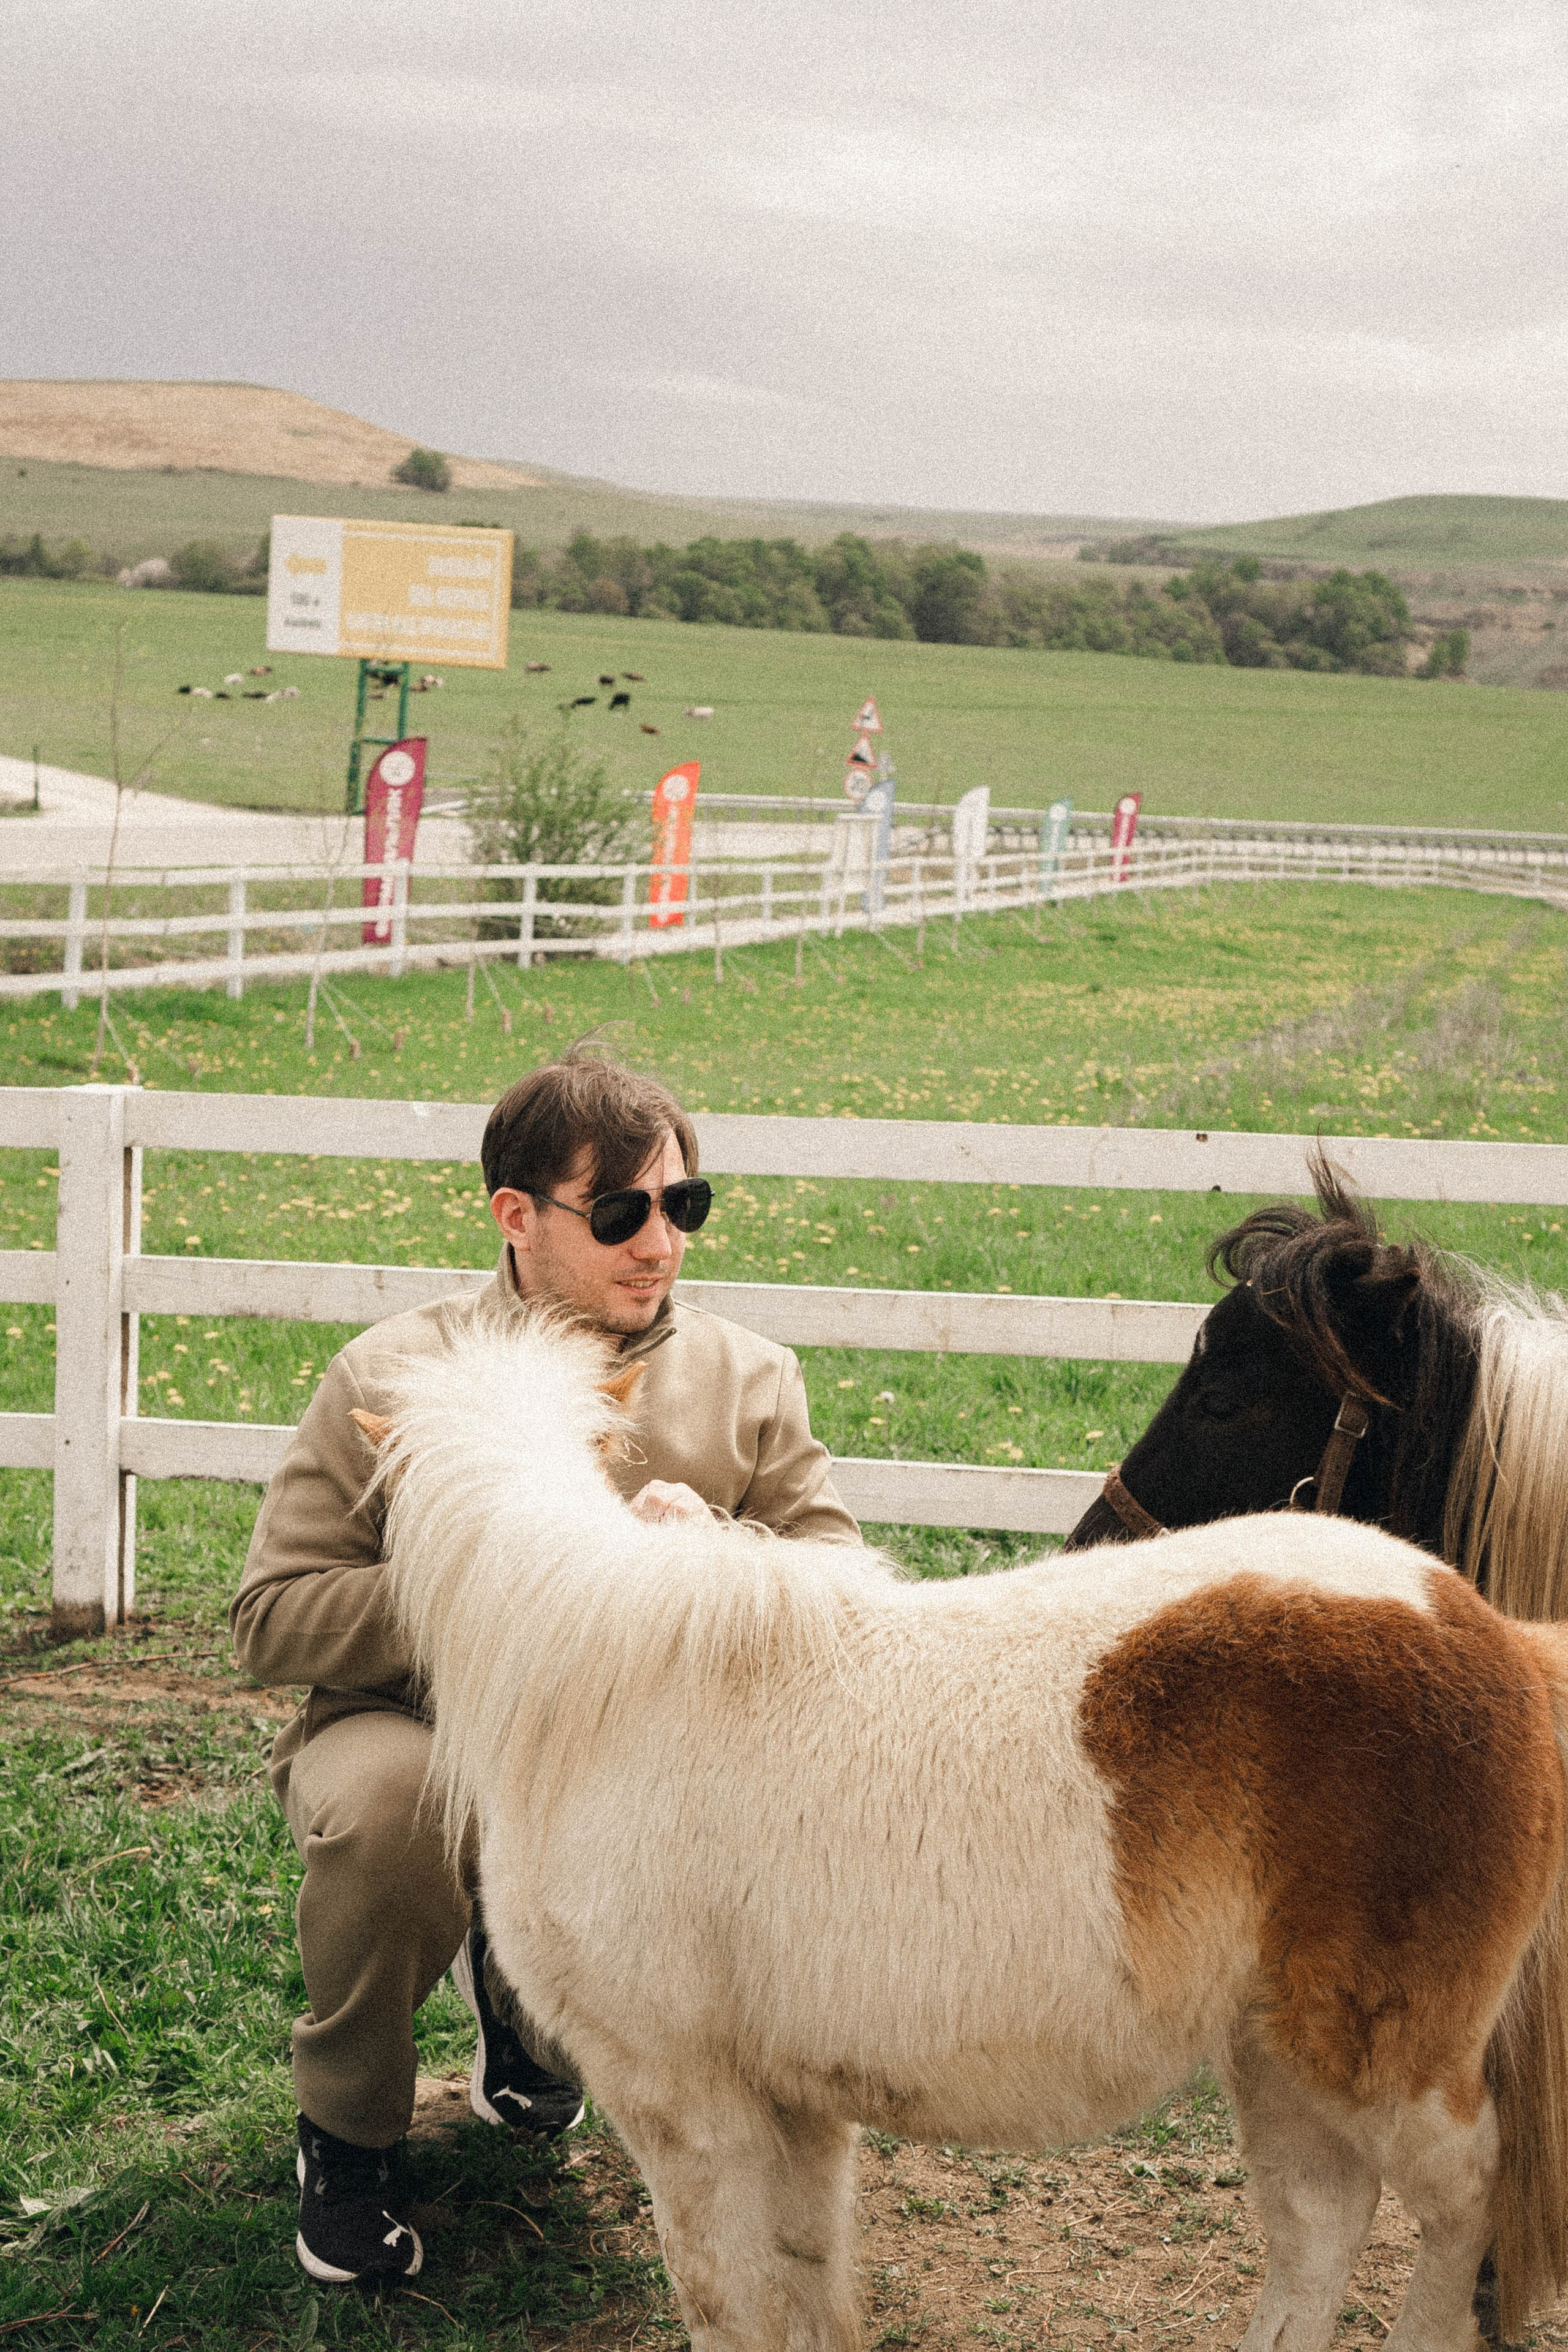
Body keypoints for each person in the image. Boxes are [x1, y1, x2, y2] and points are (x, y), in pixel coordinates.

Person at [230, 1051, 861, 2285]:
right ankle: (349, 2136)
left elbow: (835, 1575)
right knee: (389, 1815)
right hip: (421, 1729)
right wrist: (488, 1578)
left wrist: (714, 1553)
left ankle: (529, 2015)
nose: (660, 1244)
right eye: (618, 1213)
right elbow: (270, 1619)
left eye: (683, 1205)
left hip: (654, 1749)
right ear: (514, 1215)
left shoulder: (749, 1378)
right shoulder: (388, 1375)